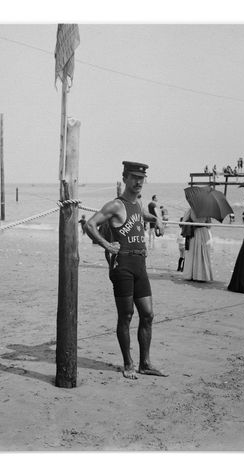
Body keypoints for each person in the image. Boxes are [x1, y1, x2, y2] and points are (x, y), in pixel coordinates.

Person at [85, 161, 167, 379]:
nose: (139, 182)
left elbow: (140, 217)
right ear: (125, 178)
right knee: (127, 315)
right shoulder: (115, 205)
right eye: (134, 177)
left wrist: (157, 219)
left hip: (140, 265)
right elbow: (89, 225)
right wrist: (107, 245)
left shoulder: (137, 204)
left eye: (142, 178)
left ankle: (145, 363)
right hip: (123, 267)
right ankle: (128, 364)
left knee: (148, 314)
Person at [182, 208, 213, 282]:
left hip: (194, 232)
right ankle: (201, 275)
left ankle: (190, 275)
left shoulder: (191, 209)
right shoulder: (207, 210)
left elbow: (183, 222)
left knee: (192, 253)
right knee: (202, 253)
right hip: (203, 232)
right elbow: (209, 225)